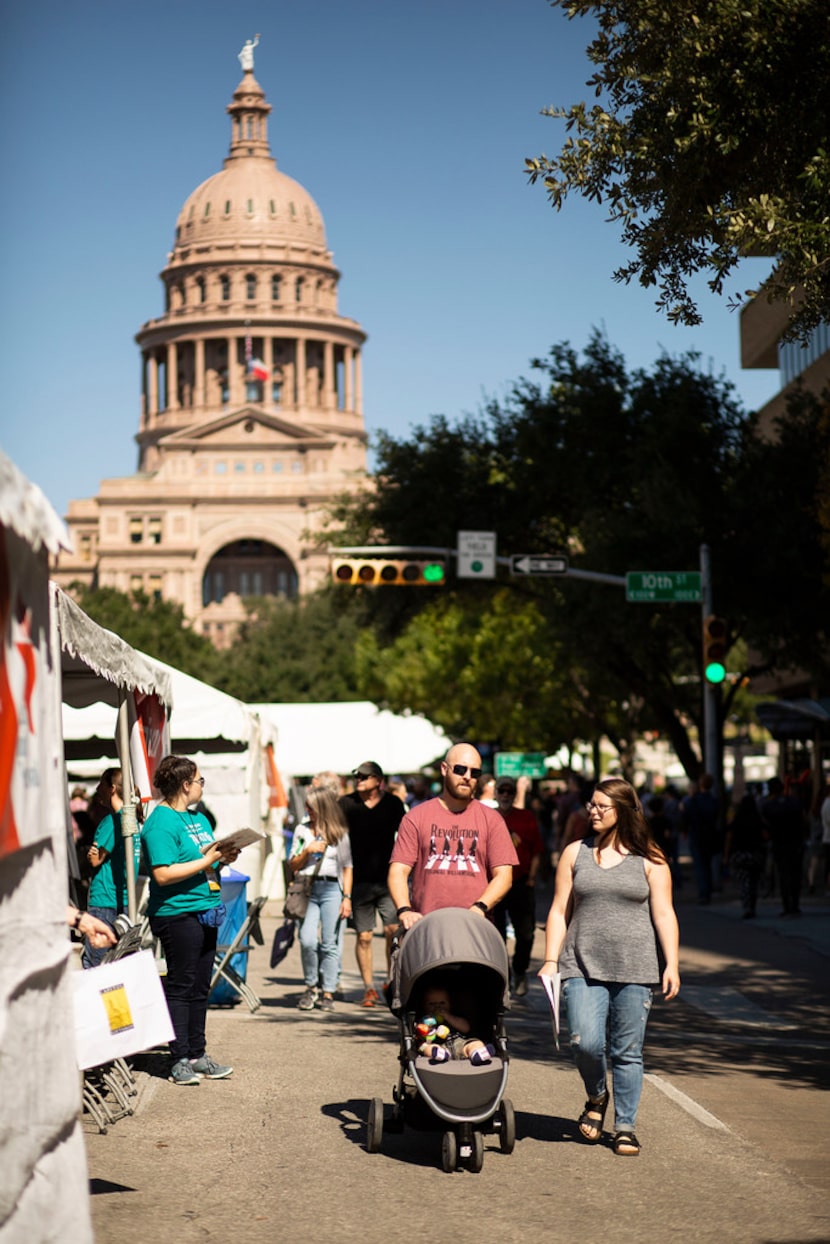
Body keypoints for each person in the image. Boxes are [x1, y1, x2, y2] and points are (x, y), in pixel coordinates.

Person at [539, 777, 680, 1158]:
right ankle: (597, 1095)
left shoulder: (651, 859)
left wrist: (672, 964)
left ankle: (625, 1126)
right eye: (591, 805)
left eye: (603, 806)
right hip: (581, 962)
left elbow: (664, 913)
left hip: (635, 967)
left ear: (624, 810)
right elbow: (558, 910)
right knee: (585, 1041)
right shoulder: (575, 853)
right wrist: (551, 960)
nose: (594, 812)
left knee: (627, 1051)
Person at [142, 755, 240, 1085]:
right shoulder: (160, 822)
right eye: (200, 781)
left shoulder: (198, 819)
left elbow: (204, 863)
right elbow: (163, 874)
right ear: (185, 785)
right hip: (177, 913)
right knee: (181, 987)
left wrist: (222, 860)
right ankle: (179, 1057)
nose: (202, 786)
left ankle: (198, 1054)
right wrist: (207, 861)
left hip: (206, 908)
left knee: (200, 988)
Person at [388, 743, 518, 930]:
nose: (467, 777)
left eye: (474, 773)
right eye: (460, 769)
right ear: (444, 769)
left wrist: (480, 907)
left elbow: (504, 875)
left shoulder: (492, 820)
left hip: (475, 927)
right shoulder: (416, 817)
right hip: (426, 928)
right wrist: (404, 910)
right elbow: (398, 871)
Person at [340, 760, 404, 1007]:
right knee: (364, 936)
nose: (359, 780)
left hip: (388, 880)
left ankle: (391, 981)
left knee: (391, 932)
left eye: (365, 776)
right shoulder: (346, 804)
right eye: (356, 776)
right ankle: (369, 988)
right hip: (359, 882)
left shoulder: (392, 804)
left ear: (379, 780)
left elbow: (407, 835)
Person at [289, 787, 353, 1012]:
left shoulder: (338, 832)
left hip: (332, 889)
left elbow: (347, 867)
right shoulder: (301, 830)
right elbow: (293, 864)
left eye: (311, 807)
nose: (307, 810)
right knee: (307, 940)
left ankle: (328, 991)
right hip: (308, 888)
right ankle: (310, 986)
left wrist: (347, 897)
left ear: (323, 808)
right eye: (307, 806)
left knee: (329, 942)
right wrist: (307, 851)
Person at [491, 776, 543, 997]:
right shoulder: (488, 817)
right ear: (495, 793)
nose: (505, 795)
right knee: (496, 934)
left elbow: (537, 850)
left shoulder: (526, 817)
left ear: (514, 794)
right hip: (494, 884)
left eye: (509, 791)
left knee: (526, 934)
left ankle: (519, 971)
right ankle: (503, 976)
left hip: (520, 883)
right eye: (501, 791)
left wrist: (531, 878)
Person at [83, 792, 142, 968]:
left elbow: (95, 858)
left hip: (104, 899)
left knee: (97, 965)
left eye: (102, 784)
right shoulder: (131, 821)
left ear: (113, 788)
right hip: (123, 899)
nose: (98, 789)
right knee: (118, 965)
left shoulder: (113, 821)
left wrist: (92, 852)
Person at [417, 978, 494, 1066]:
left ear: (450, 1004)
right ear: (423, 1006)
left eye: (442, 1003)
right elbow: (421, 1037)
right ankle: (439, 1054)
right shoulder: (425, 1021)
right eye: (431, 1004)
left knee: (475, 1043)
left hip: (459, 1043)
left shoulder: (453, 1017)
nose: (437, 1007)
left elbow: (466, 1028)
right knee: (428, 1048)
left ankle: (477, 1053)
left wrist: (448, 1017)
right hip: (439, 1045)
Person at [762, 777, 808, 916]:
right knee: (795, 874)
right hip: (795, 843)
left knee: (783, 875)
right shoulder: (794, 803)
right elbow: (804, 822)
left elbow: (766, 827)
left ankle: (787, 905)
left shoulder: (769, 807)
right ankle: (795, 904)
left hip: (779, 844)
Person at [724, 794, 766, 918]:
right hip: (755, 854)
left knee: (744, 881)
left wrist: (726, 856)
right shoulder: (758, 819)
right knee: (754, 881)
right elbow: (765, 835)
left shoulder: (737, 820)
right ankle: (752, 904)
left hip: (740, 855)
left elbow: (729, 838)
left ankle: (746, 905)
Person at [683, 773, 721, 904]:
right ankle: (708, 891)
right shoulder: (714, 801)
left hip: (697, 835)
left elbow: (686, 817)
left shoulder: (694, 801)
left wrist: (684, 830)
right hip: (710, 836)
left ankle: (703, 892)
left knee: (700, 866)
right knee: (708, 865)